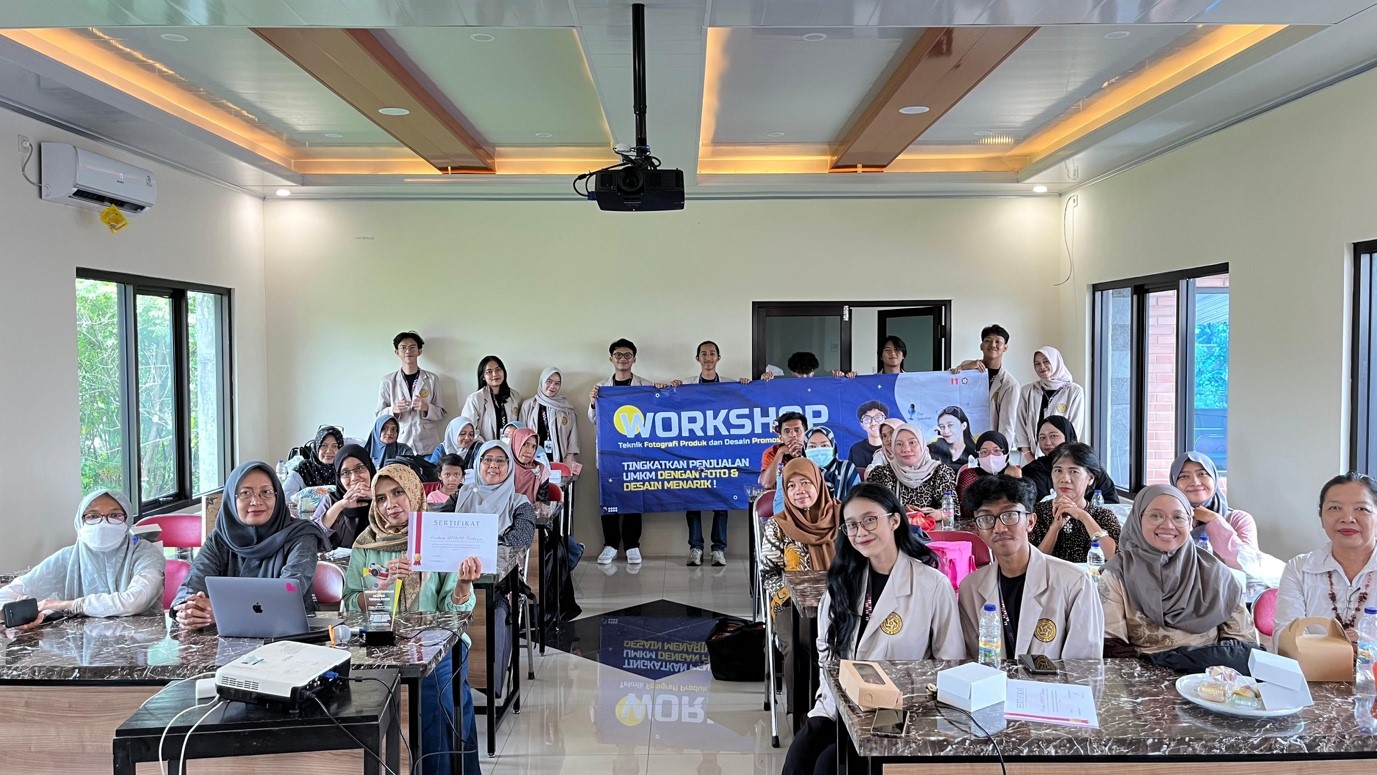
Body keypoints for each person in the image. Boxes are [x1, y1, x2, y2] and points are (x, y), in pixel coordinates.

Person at [782, 484, 962, 775]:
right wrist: (831, 704)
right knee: (802, 752)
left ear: (894, 520)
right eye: (851, 525)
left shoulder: (931, 585)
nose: (860, 532)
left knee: (830, 764)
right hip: (840, 704)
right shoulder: (842, 582)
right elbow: (825, 653)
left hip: (899, 710)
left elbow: (949, 662)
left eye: (869, 520)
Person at [342, 464, 481, 775]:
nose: (390, 504)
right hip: (381, 648)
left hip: (438, 646)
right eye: (380, 498)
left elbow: (454, 614)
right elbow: (350, 604)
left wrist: (463, 583)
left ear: (415, 492)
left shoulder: (438, 536)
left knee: (436, 712)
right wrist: (381, 587)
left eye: (398, 493)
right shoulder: (366, 543)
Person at [1100, 484, 1256, 656]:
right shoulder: (1118, 574)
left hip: (1207, 678)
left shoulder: (1217, 574)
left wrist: (1207, 678)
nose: (1168, 525)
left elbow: (1243, 647)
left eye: (1178, 517)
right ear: (1137, 519)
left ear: (1189, 523)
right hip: (1140, 678)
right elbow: (1111, 648)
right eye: (1156, 516)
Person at [957, 475, 1102, 659]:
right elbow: (972, 660)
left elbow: (1084, 667)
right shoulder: (970, 588)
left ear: (1031, 522)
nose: (999, 528)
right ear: (978, 529)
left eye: (1010, 515)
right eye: (986, 518)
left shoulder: (1075, 582)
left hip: (1053, 687)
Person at [172, 462, 326, 627]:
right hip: (223, 639)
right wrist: (187, 610)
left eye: (266, 492)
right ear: (231, 498)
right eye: (245, 493)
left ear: (277, 496)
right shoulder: (219, 539)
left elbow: (288, 593)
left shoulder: (301, 536)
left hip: (288, 635)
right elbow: (193, 583)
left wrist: (222, 609)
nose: (256, 501)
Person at [0, 489, 164, 627]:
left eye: (114, 515)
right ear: (80, 522)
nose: (103, 523)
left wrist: (70, 605)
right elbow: (8, 593)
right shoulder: (67, 558)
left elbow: (135, 600)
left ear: (127, 521)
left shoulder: (145, 553)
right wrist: (18, 614)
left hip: (135, 646)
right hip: (79, 650)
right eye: (93, 516)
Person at [760, 458, 839, 715]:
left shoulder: (841, 518)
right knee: (800, 644)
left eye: (806, 482)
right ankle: (805, 715)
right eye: (791, 486)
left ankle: (841, 711)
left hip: (840, 601)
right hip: (791, 606)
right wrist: (795, 595)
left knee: (848, 640)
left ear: (819, 484)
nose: (799, 490)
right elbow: (768, 573)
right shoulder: (778, 526)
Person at [1274, 473, 1377, 647]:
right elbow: (1285, 638)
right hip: (1313, 673)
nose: (1347, 518)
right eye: (1335, 508)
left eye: (1361, 509)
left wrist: (1367, 643)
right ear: (1321, 517)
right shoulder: (1300, 568)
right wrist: (1337, 645)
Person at [672, 341, 751, 567]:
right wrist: (670, 388)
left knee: (720, 501)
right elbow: (667, 406)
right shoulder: (685, 385)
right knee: (693, 501)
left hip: (721, 453)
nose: (708, 357)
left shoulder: (730, 385)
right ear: (697, 358)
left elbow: (749, 403)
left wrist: (747, 386)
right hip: (692, 453)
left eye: (712, 353)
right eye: (703, 354)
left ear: (718, 357)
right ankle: (695, 548)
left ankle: (719, 549)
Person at [589, 338, 655, 565]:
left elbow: (655, 416)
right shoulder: (602, 389)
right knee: (608, 501)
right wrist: (593, 403)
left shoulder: (645, 386)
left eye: (627, 355)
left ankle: (632, 545)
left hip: (635, 455)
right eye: (618, 355)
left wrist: (662, 392)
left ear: (634, 359)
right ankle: (610, 545)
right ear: (611, 359)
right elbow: (595, 421)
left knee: (634, 501)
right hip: (609, 457)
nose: (623, 359)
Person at [1028, 443, 1121, 564]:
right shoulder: (1036, 513)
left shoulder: (1104, 516)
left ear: (1090, 478)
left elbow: (1115, 559)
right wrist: (1055, 528)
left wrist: (1084, 516)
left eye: (1074, 471)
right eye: (1058, 470)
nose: (1065, 478)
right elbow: (1033, 564)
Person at [1168, 451, 1259, 572]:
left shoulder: (1238, 519)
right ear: (1174, 484)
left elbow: (1248, 566)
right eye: (1184, 476)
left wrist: (1215, 521)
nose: (1195, 482)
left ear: (1214, 478)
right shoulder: (1167, 519)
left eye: (1202, 474)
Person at [443, 441, 538, 551]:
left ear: (509, 466)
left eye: (500, 461)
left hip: (497, 565)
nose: (493, 465)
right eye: (488, 460)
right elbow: (439, 528)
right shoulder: (461, 494)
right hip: (456, 562)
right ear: (478, 463)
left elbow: (521, 541)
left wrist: (475, 545)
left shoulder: (520, 504)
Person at [864, 423, 959, 526]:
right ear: (893, 448)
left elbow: (955, 510)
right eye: (899, 444)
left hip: (933, 537)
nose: (906, 449)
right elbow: (871, 512)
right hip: (895, 538)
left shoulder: (939, 472)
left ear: (922, 444)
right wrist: (900, 511)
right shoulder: (882, 474)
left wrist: (938, 514)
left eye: (912, 442)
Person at [375, 331, 446, 456]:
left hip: (428, 445)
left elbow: (441, 413)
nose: (408, 351)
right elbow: (379, 416)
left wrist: (426, 408)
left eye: (412, 347)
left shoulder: (432, 379)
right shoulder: (387, 381)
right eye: (403, 348)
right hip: (400, 443)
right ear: (397, 352)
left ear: (419, 351)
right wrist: (393, 410)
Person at [1020, 417, 1120, 503]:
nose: (1047, 442)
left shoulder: (1089, 466)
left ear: (1067, 435)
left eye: (1053, 436)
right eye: (1042, 437)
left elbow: (1111, 502)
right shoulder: (1033, 470)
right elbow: (1037, 508)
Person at [951, 324, 1020, 442]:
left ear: (1005, 347)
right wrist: (965, 368)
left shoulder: (1009, 384)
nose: (993, 345)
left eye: (998, 341)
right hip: (962, 437)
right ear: (981, 346)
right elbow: (947, 386)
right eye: (988, 341)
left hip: (988, 443)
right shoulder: (967, 368)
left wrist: (1002, 452)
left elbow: (1007, 424)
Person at [1015, 347, 1085, 462]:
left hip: (1062, 458)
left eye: (1046, 361)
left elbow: (1074, 428)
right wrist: (1028, 455)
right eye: (1037, 364)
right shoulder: (1028, 391)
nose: (1042, 367)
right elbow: (1020, 424)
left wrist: (1062, 457)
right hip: (1030, 458)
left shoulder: (1074, 391)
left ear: (1056, 362)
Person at [519, 367, 583, 476]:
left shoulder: (566, 408)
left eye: (557, 383)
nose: (552, 386)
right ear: (542, 381)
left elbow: (573, 436)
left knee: (557, 492)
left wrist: (569, 458)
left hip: (559, 461)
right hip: (533, 463)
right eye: (549, 381)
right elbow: (521, 436)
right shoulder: (528, 406)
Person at [312, 444, 376, 550]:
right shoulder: (331, 500)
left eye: (359, 468)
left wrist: (377, 499)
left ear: (369, 467)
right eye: (345, 472)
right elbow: (312, 537)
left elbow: (401, 532)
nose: (354, 477)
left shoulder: (384, 496)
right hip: (338, 564)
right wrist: (340, 505)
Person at [462, 355, 523, 442]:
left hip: (510, 449)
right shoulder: (475, 399)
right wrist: (487, 448)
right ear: (483, 377)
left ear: (504, 372)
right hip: (485, 449)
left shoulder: (515, 396)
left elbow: (519, 425)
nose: (495, 374)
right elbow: (469, 429)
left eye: (498, 370)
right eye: (489, 372)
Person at [956, 430, 1023, 503]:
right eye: (984, 452)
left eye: (996, 450)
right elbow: (964, 507)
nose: (990, 455)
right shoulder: (969, 475)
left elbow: (1023, 504)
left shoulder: (1016, 473)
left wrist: (1014, 480)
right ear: (978, 455)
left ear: (1006, 454)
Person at [283, 425, 344, 498]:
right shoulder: (304, 468)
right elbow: (285, 497)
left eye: (335, 446)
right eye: (324, 445)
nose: (328, 451)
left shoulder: (345, 469)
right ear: (316, 447)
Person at [805, 426, 861, 502]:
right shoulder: (797, 472)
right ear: (804, 451)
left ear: (833, 448)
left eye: (824, 445)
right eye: (812, 446)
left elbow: (857, 500)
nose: (819, 450)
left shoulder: (847, 469)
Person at [509, 427, 554, 519]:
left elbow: (542, 502)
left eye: (534, 446)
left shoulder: (540, 470)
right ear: (515, 444)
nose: (529, 451)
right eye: (525, 444)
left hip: (530, 518)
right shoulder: (503, 467)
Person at [929, 405, 977, 473]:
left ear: (963, 426)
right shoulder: (931, 450)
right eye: (942, 427)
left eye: (950, 425)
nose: (946, 431)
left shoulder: (975, 454)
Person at [848, 400, 890, 470]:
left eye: (878, 417)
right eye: (867, 419)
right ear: (862, 425)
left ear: (886, 420)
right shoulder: (856, 450)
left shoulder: (894, 448)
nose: (873, 423)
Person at [760, 351, 853, 380]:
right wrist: (765, 381)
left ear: (814, 370)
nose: (805, 377)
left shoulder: (827, 378)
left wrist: (844, 378)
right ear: (792, 372)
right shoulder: (782, 381)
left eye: (808, 373)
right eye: (800, 374)